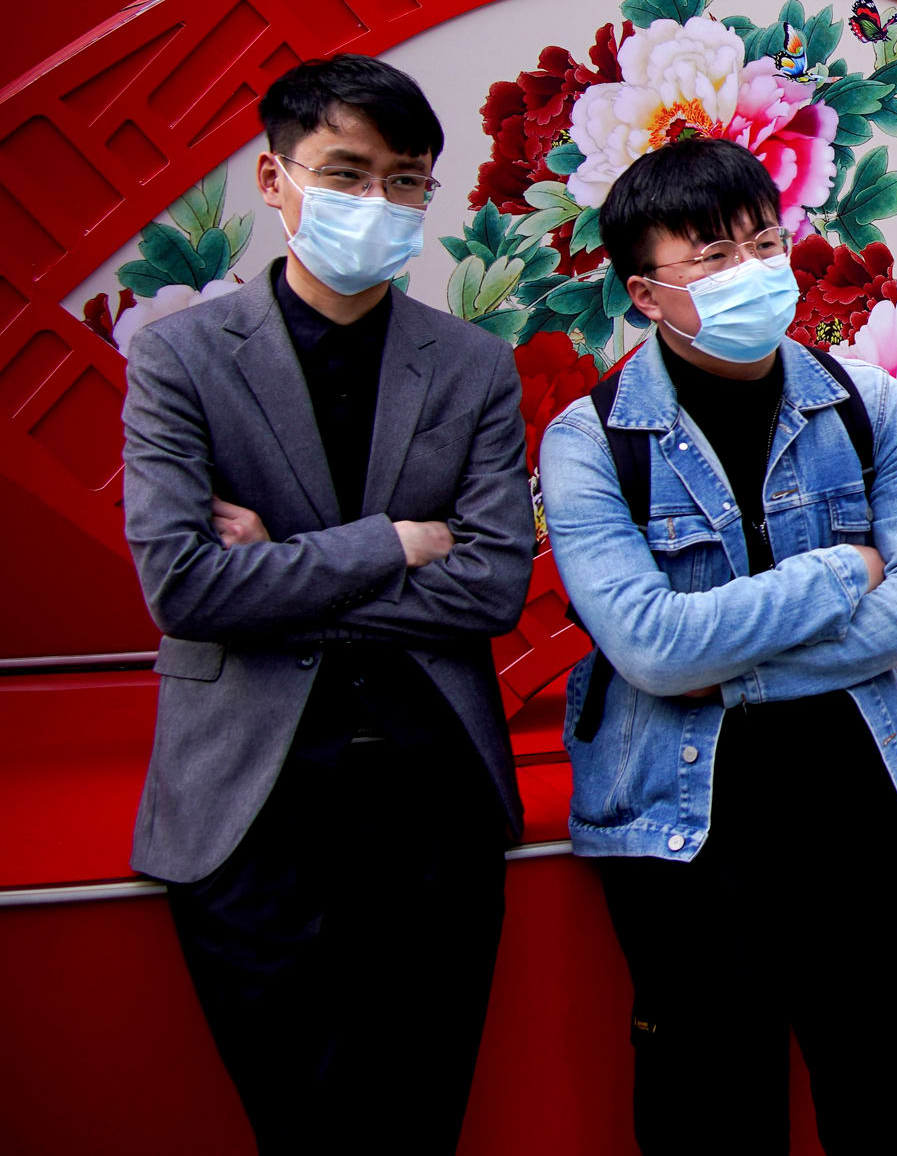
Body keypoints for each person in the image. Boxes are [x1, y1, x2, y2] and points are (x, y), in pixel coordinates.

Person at [120, 57, 536, 1155]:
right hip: (250, 804)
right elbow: (186, 585)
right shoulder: (178, 359)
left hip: (431, 793)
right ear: (273, 175)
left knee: (420, 1113)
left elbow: (494, 583)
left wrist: (284, 570)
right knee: (303, 1121)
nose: (379, 204)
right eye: (345, 173)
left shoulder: (473, 365)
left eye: (406, 181)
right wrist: (390, 543)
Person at [538, 137, 897, 1155]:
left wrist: (727, 664)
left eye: (765, 242)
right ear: (645, 293)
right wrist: (835, 573)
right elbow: (648, 647)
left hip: (858, 819)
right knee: (713, 1121)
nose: (754, 272)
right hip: (683, 847)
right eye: (714, 256)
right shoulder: (589, 440)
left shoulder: (867, 404)